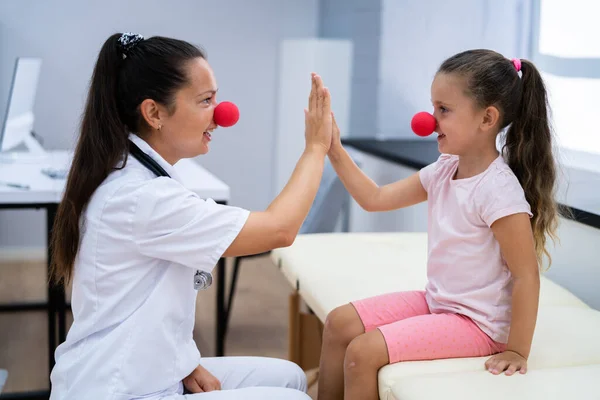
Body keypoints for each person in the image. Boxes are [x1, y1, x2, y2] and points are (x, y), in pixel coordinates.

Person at [48, 32, 333, 400]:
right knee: (291, 398)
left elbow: (146, 302)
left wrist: (182, 360)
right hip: (119, 389)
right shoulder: (143, 197)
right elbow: (279, 229)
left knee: (290, 377)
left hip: (140, 369)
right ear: (154, 113)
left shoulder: (141, 173)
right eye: (206, 101)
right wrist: (315, 148)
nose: (222, 114)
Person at [319, 49, 561, 400]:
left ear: (487, 118)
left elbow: (526, 275)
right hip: (440, 302)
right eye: (433, 108)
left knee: (362, 353)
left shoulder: (498, 190)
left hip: (480, 325)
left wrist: (517, 350)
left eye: (443, 110)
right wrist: (334, 149)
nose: (429, 120)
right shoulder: (444, 169)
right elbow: (375, 199)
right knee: (339, 323)